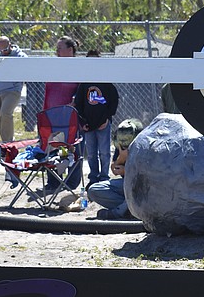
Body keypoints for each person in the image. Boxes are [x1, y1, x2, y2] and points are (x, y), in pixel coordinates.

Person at [75, 50, 119, 188]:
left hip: (103, 123)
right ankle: (93, 178)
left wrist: (106, 119)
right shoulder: (84, 83)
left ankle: (104, 177)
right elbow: (79, 103)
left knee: (104, 152)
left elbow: (113, 101)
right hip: (89, 125)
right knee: (92, 154)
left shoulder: (105, 82)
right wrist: (83, 122)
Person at [44, 36, 81, 191]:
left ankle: (71, 182)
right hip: (51, 115)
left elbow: (82, 89)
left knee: (72, 148)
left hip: (69, 116)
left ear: (70, 50)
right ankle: (53, 182)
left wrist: (74, 100)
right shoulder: (53, 66)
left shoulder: (78, 67)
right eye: (57, 48)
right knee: (51, 148)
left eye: (60, 48)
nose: (57, 51)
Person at [88, 118, 143, 220]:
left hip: (141, 187)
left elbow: (146, 175)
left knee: (136, 189)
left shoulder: (144, 147)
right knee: (93, 190)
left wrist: (127, 171)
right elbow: (114, 169)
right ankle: (130, 209)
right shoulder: (121, 146)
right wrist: (122, 157)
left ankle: (120, 212)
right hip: (125, 185)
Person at [0, 36, 26, 143]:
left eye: (5, 49)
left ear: (10, 45)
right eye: (0, 50)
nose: (3, 52)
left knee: (5, 112)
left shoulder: (20, 56)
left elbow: (26, 67)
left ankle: (9, 142)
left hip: (12, 90)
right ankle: (4, 142)